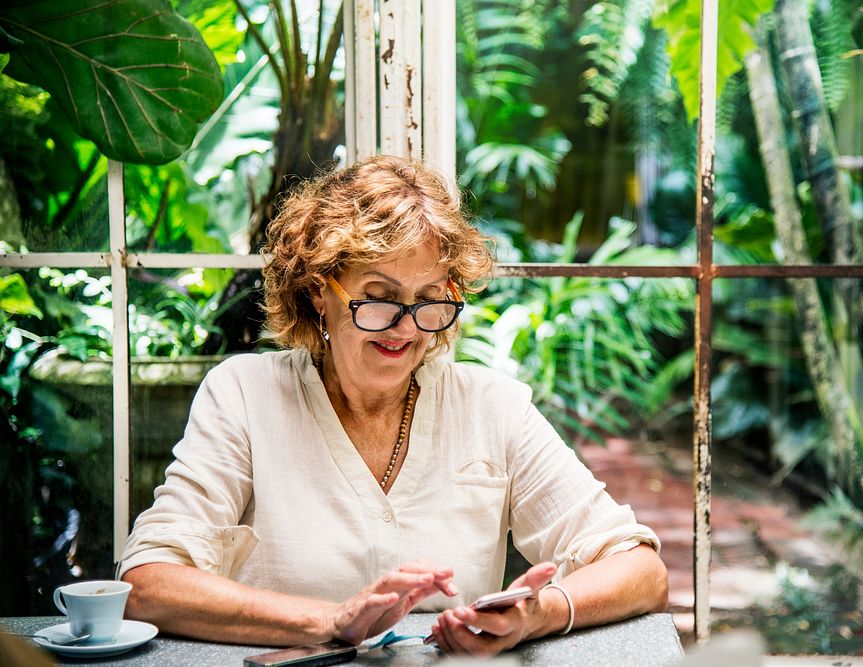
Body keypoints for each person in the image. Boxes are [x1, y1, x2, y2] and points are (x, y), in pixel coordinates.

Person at [119, 155, 668, 656]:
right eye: (379, 297)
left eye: (430, 299)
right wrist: (333, 620)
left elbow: (640, 569)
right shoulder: (244, 395)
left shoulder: (491, 406)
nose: (406, 327)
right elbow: (147, 582)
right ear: (317, 290)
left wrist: (538, 614)